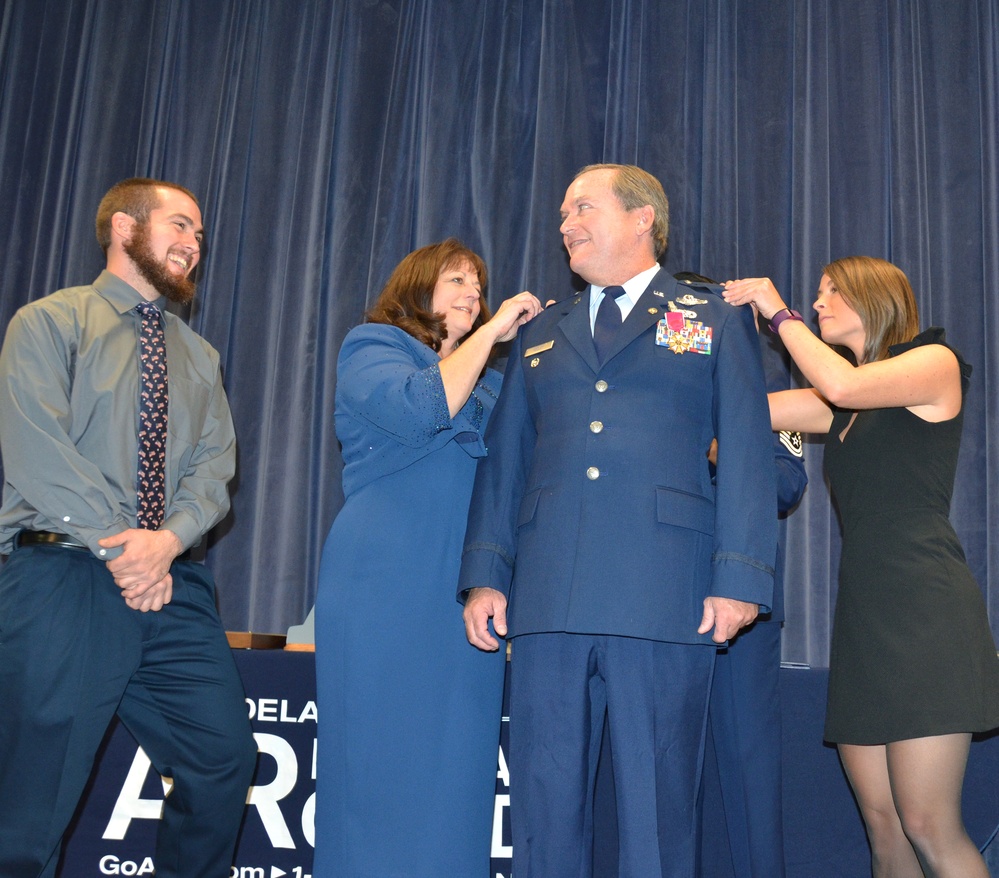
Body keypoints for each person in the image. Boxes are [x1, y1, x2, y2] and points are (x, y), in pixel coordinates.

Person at [459, 163, 778, 878]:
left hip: (665, 595)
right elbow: (504, 461)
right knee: (545, 808)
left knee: (659, 815)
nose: (565, 223)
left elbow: (750, 458)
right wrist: (484, 574)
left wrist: (741, 579)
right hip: (547, 598)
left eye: (582, 207)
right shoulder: (543, 329)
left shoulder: (710, 320)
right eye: (562, 212)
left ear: (643, 219)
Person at [0, 177, 257, 877]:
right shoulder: (49, 322)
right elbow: (34, 448)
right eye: (179, 225)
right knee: (30, 806)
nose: (192, 245)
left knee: (223, 760)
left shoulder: (200, 358)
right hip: (64, 576)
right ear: (123, 227)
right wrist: (125, 546)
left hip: (169, 582)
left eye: (199, 235)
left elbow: (214, 470)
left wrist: (167, 543)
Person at [723, 256, 999, 878]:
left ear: (873, 299)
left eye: (830, 293)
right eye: (813, 296)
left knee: (929, 821)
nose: (818, 304)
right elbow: (751, 409)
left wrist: (777, 309)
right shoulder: (840, 405)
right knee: (884, 828)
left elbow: (842, 386)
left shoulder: (936, 363)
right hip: (865, 619)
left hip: (925, 613)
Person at [313, 239, 541, 877]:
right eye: (456, 280)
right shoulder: (372, 346)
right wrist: (495, 331)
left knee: (455, 767)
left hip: (466, 591)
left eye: (478, 284)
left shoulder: (494, 386)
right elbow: (421, 409)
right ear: (416, 285)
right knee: (376, 765)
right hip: (382, 581)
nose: (473, 292)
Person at [673, 273, 808, 878]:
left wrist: (708, 445)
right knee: (657, 783)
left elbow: (786, 483)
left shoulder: (768, 385)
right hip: (650, 602)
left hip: (741, 613)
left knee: (750, 781)